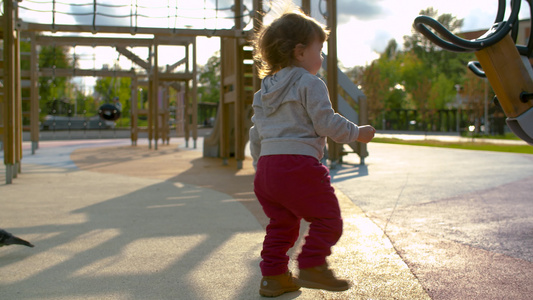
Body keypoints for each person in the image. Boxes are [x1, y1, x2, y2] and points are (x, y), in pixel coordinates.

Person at [249, 8, 376, 298]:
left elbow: (255, 134)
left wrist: (262, 167)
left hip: (267, 171)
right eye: (319, 50)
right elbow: (326, 122)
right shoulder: (309, 83)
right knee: (328, 219)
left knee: (280, 225)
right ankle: (311, 265)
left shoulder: (262, 92)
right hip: (298, 166)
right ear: (299, 52)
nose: (320, 57)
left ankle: (273, 277)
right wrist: (358, 133)